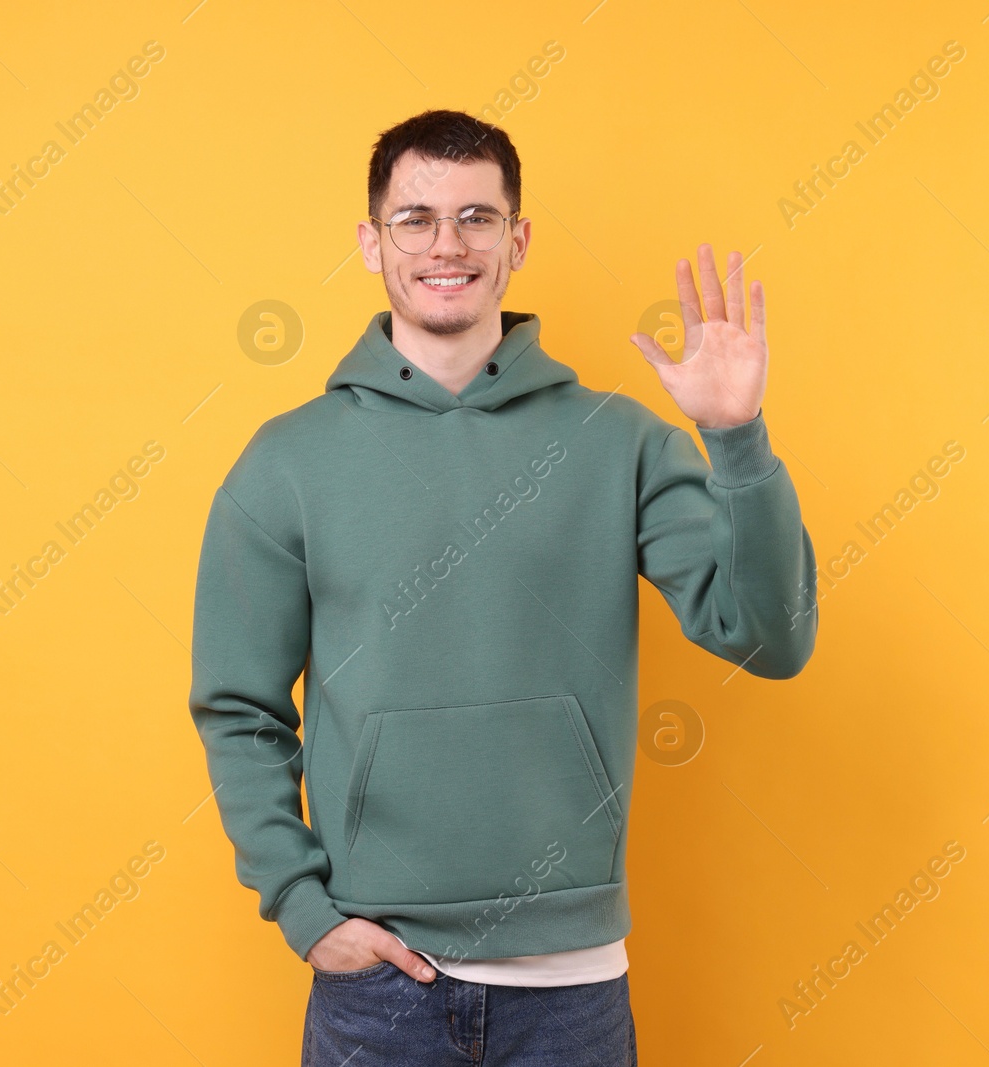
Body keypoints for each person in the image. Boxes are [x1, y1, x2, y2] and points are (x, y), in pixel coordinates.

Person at [189, 108, 818, 1066]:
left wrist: (735, 437)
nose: (448, 244)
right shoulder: (287, 462)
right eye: (416, 218)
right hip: (376, 989)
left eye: (478, 217)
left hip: (571, 994)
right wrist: (305, 910)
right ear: (371, 242)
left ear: (517, 241)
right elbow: (239, 707)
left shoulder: (621, 441)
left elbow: (773, 641)